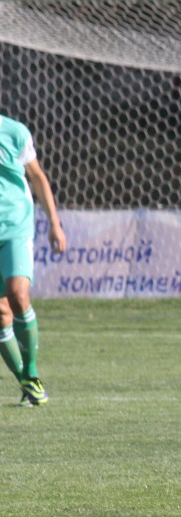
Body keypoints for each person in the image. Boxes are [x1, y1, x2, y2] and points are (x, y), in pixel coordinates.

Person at [0, 113, 67, 406]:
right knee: (1, 313)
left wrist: (55, 223)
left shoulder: (14, 132)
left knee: (17, 293)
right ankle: (27, 385)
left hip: (15, 224)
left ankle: (32, 372)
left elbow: (37, 176)